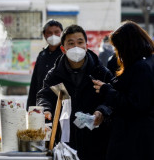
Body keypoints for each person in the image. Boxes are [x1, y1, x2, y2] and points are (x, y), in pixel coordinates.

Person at [37, 25, 114, 160]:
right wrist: (46, 109)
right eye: (71, 43)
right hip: (66, 141)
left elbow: (112, 97)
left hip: (96, 140)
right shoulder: (55, 75)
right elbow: (44, 95)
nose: (76, 47)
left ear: (86, 45)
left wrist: (102, 111)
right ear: (63, 48)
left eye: (80, 42)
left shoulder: (100, 72)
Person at [92, 21, 154, 160]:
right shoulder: (144, 63)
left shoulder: (141, 67)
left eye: (117, 48)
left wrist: (107, 90)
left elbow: (136, 104)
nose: (116, 53)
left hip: (135, 140)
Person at [26, 19, 63, 110]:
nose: (53, 35)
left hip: (59, 104)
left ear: (62, 33)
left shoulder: (65, 54)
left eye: (56, 32)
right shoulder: (42, 55)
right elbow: (35, 81)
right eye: (49, 33)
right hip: (41, 103)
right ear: (44, 35)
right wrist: (30, 105)